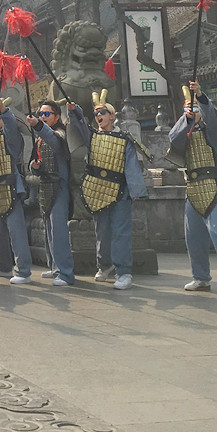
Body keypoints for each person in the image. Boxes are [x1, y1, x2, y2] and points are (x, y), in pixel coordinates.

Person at [168, 80, 217, 302]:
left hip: (212, 185)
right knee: (194, 237)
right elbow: (173, 140)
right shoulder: (184, 129)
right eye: (188, 110)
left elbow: (210, 115)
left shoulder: (212, 128)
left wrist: (200, 97)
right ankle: (201, 277)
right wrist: (186, 119)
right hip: (192, 187)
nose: (193, 113)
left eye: (195, 109)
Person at [69, 90, 148, 290]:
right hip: (97, 189)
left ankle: (124, 272)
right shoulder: (92, 136)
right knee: (101, 231)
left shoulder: (124, 139)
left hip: (120, 190)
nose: (99, 116)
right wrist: (74, 111)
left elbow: (131, 166)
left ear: (112, 115)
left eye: (103, 112)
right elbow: (79, 124)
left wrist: (136, 191)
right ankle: (104, 265)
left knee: (121, 232)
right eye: (96, 114)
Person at [0, 96, 33, 284]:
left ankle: (23, 270)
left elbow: (10, 126)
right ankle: (2, 265)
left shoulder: (12, 139)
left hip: (10, 187)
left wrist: (4, 110)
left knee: (16, 232)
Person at [27, 99, 76, 285]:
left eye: (46, 114)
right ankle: (55, 267)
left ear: (56, 116)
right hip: (45, 186)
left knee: (59, 231)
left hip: (60, 186)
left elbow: (54, 142)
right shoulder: (40, 138)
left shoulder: (60, 133)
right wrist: (35, 166)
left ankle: (65, 273)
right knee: (49, 229)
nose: (43, 117)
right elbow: (34, 162)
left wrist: (38, 125)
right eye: (41, 114)